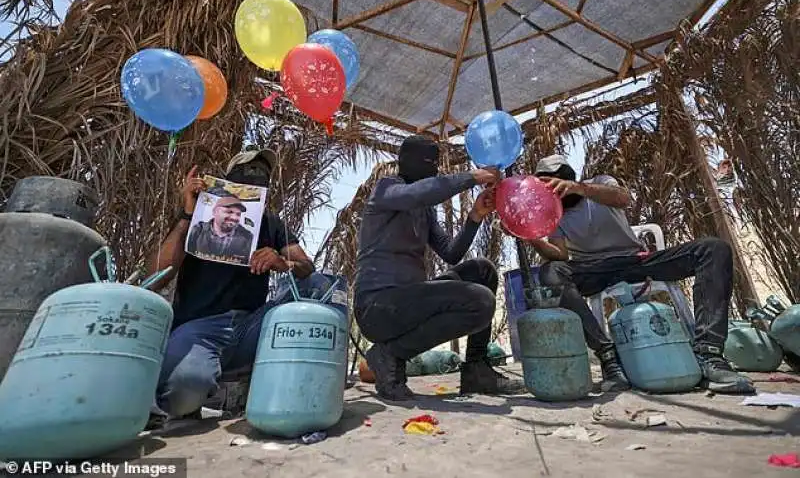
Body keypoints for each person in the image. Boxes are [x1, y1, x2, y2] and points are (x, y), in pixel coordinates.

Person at [528, 154, 754, 394]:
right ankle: (609, 358)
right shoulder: (553, 214)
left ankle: (709, 354)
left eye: (553, 182)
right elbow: (560, 255)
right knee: (550, 272)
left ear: (566, 177)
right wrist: (531, 237)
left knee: (712, 249)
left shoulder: (599, 183)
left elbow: (622, 198)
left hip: (635, 260)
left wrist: (580, 189)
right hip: (593, 269)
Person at [145, 149, 332, 422]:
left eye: (263, 173)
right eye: (248, 170)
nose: (257, 176)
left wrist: (283, 262)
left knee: (318, 285)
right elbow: (156, 277)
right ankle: (210, 385)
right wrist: (187, 214)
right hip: (201, 328)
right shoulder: (197, 217)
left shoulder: (271, 223)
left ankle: (297, 385)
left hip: (252, 326)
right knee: (181, 394)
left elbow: (307, 268)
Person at [354, 135, 526, 401]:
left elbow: (452, 253)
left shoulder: (425, 212)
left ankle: (477, 369)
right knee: (480, 301)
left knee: (483, 271)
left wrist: (475, 216)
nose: (434, 170)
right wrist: (471, 177)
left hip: (411, 301)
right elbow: (420, 191)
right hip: (377, 308)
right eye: (429, 164)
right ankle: (390, 354)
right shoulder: (386, 190)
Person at [186, 194, 253, 264]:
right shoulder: (198, 229)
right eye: (229, 212)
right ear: (215, 212)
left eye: (238, 214)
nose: (234, 217)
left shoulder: (247, 236)